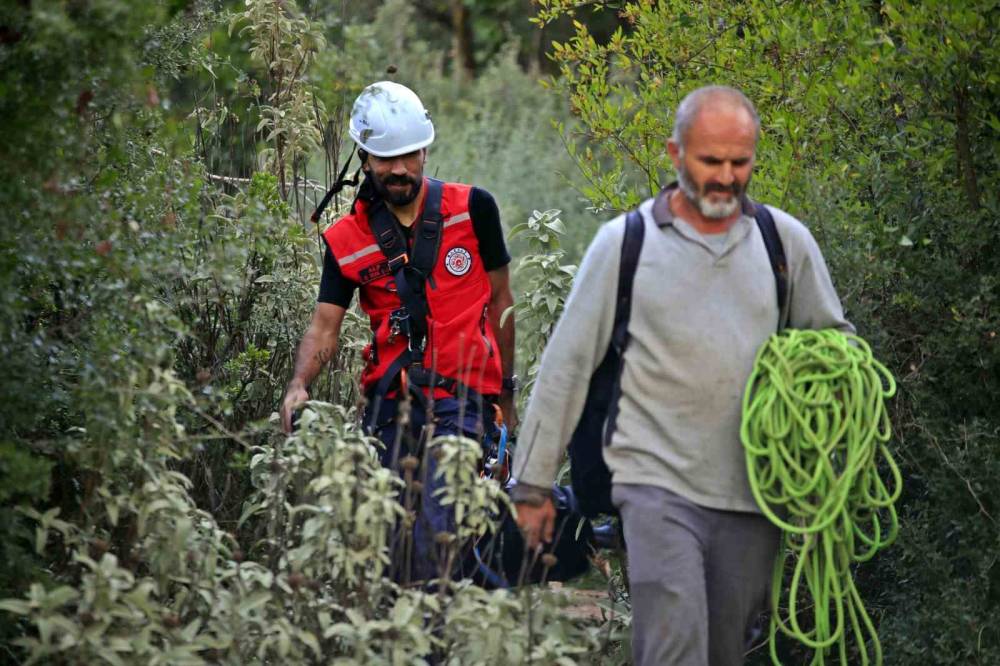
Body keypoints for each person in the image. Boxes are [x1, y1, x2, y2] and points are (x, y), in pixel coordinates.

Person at [511, 85, 854, 666]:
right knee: (674, 646)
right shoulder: (625, 245)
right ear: (675, 154)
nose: (725, 177)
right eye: (710, 161)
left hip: (752, 495)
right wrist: (532, 485)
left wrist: (820, 402)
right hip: (654, 484)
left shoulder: (783, 243)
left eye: (739, 162)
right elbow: (566, 366)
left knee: (723, 651)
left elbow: (837, 346)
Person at [280, 81, 517, 582]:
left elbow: (501, 303)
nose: (401, 169)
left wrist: (507, 393)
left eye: (409, 155)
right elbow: (325, 327)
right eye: (386, 159)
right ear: (364, 159)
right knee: (388, 547)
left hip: (463, 402)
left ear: (425, 149)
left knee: (437, 533)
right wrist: (300, 384)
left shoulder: (474, 209)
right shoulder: (345, 241)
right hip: (391, 408)